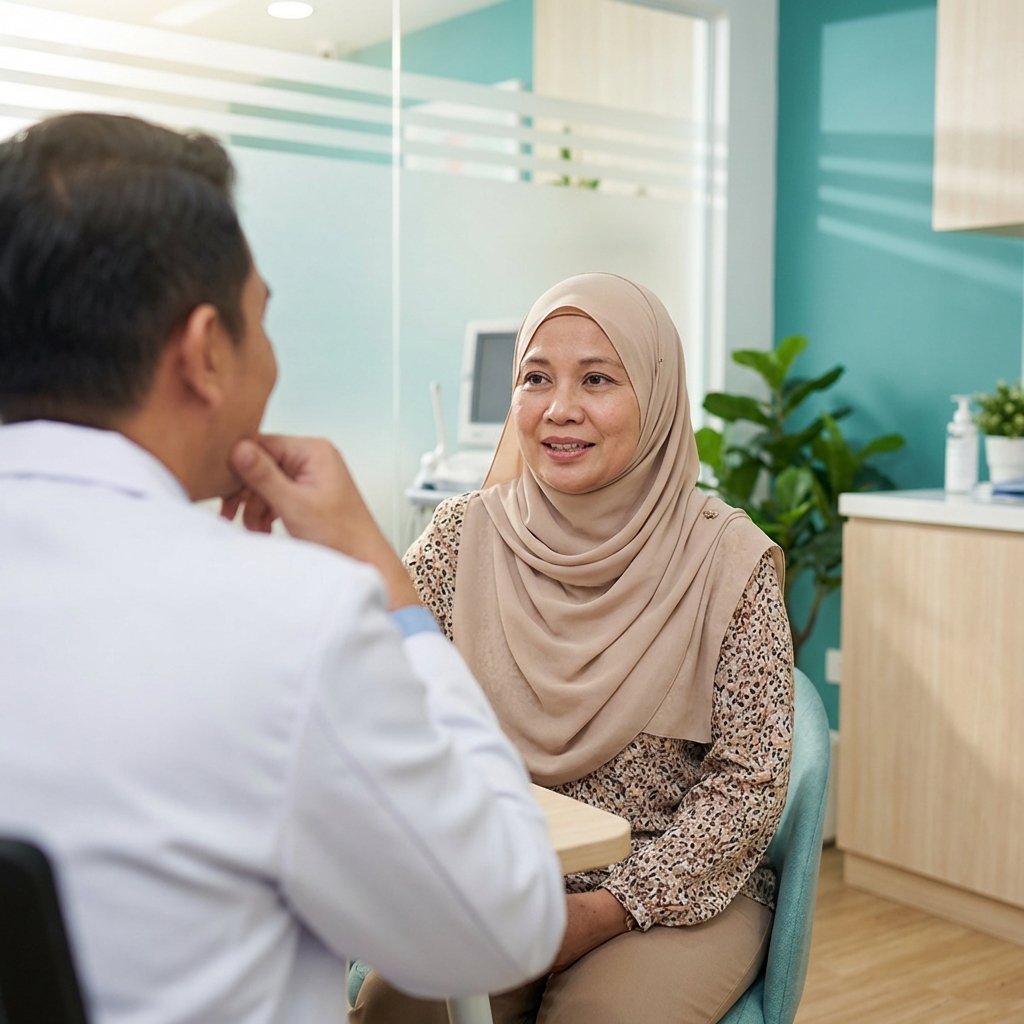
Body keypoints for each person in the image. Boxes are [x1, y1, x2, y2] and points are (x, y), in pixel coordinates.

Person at [0, 112, 566, 1024]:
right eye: (259, 319)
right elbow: (507, 920)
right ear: (204, 352)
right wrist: (389, 588)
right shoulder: (292, 624)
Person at [353, 274, 794, 1024]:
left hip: (674, 889)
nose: (560, 409)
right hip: (499, 876)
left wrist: (606, 909)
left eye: (597, 379)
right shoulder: (462, 538)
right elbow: (374, 695)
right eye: (535, 378)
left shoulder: (728, 560)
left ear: (654, 398)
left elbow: (748, 788)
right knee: (397, 1014)